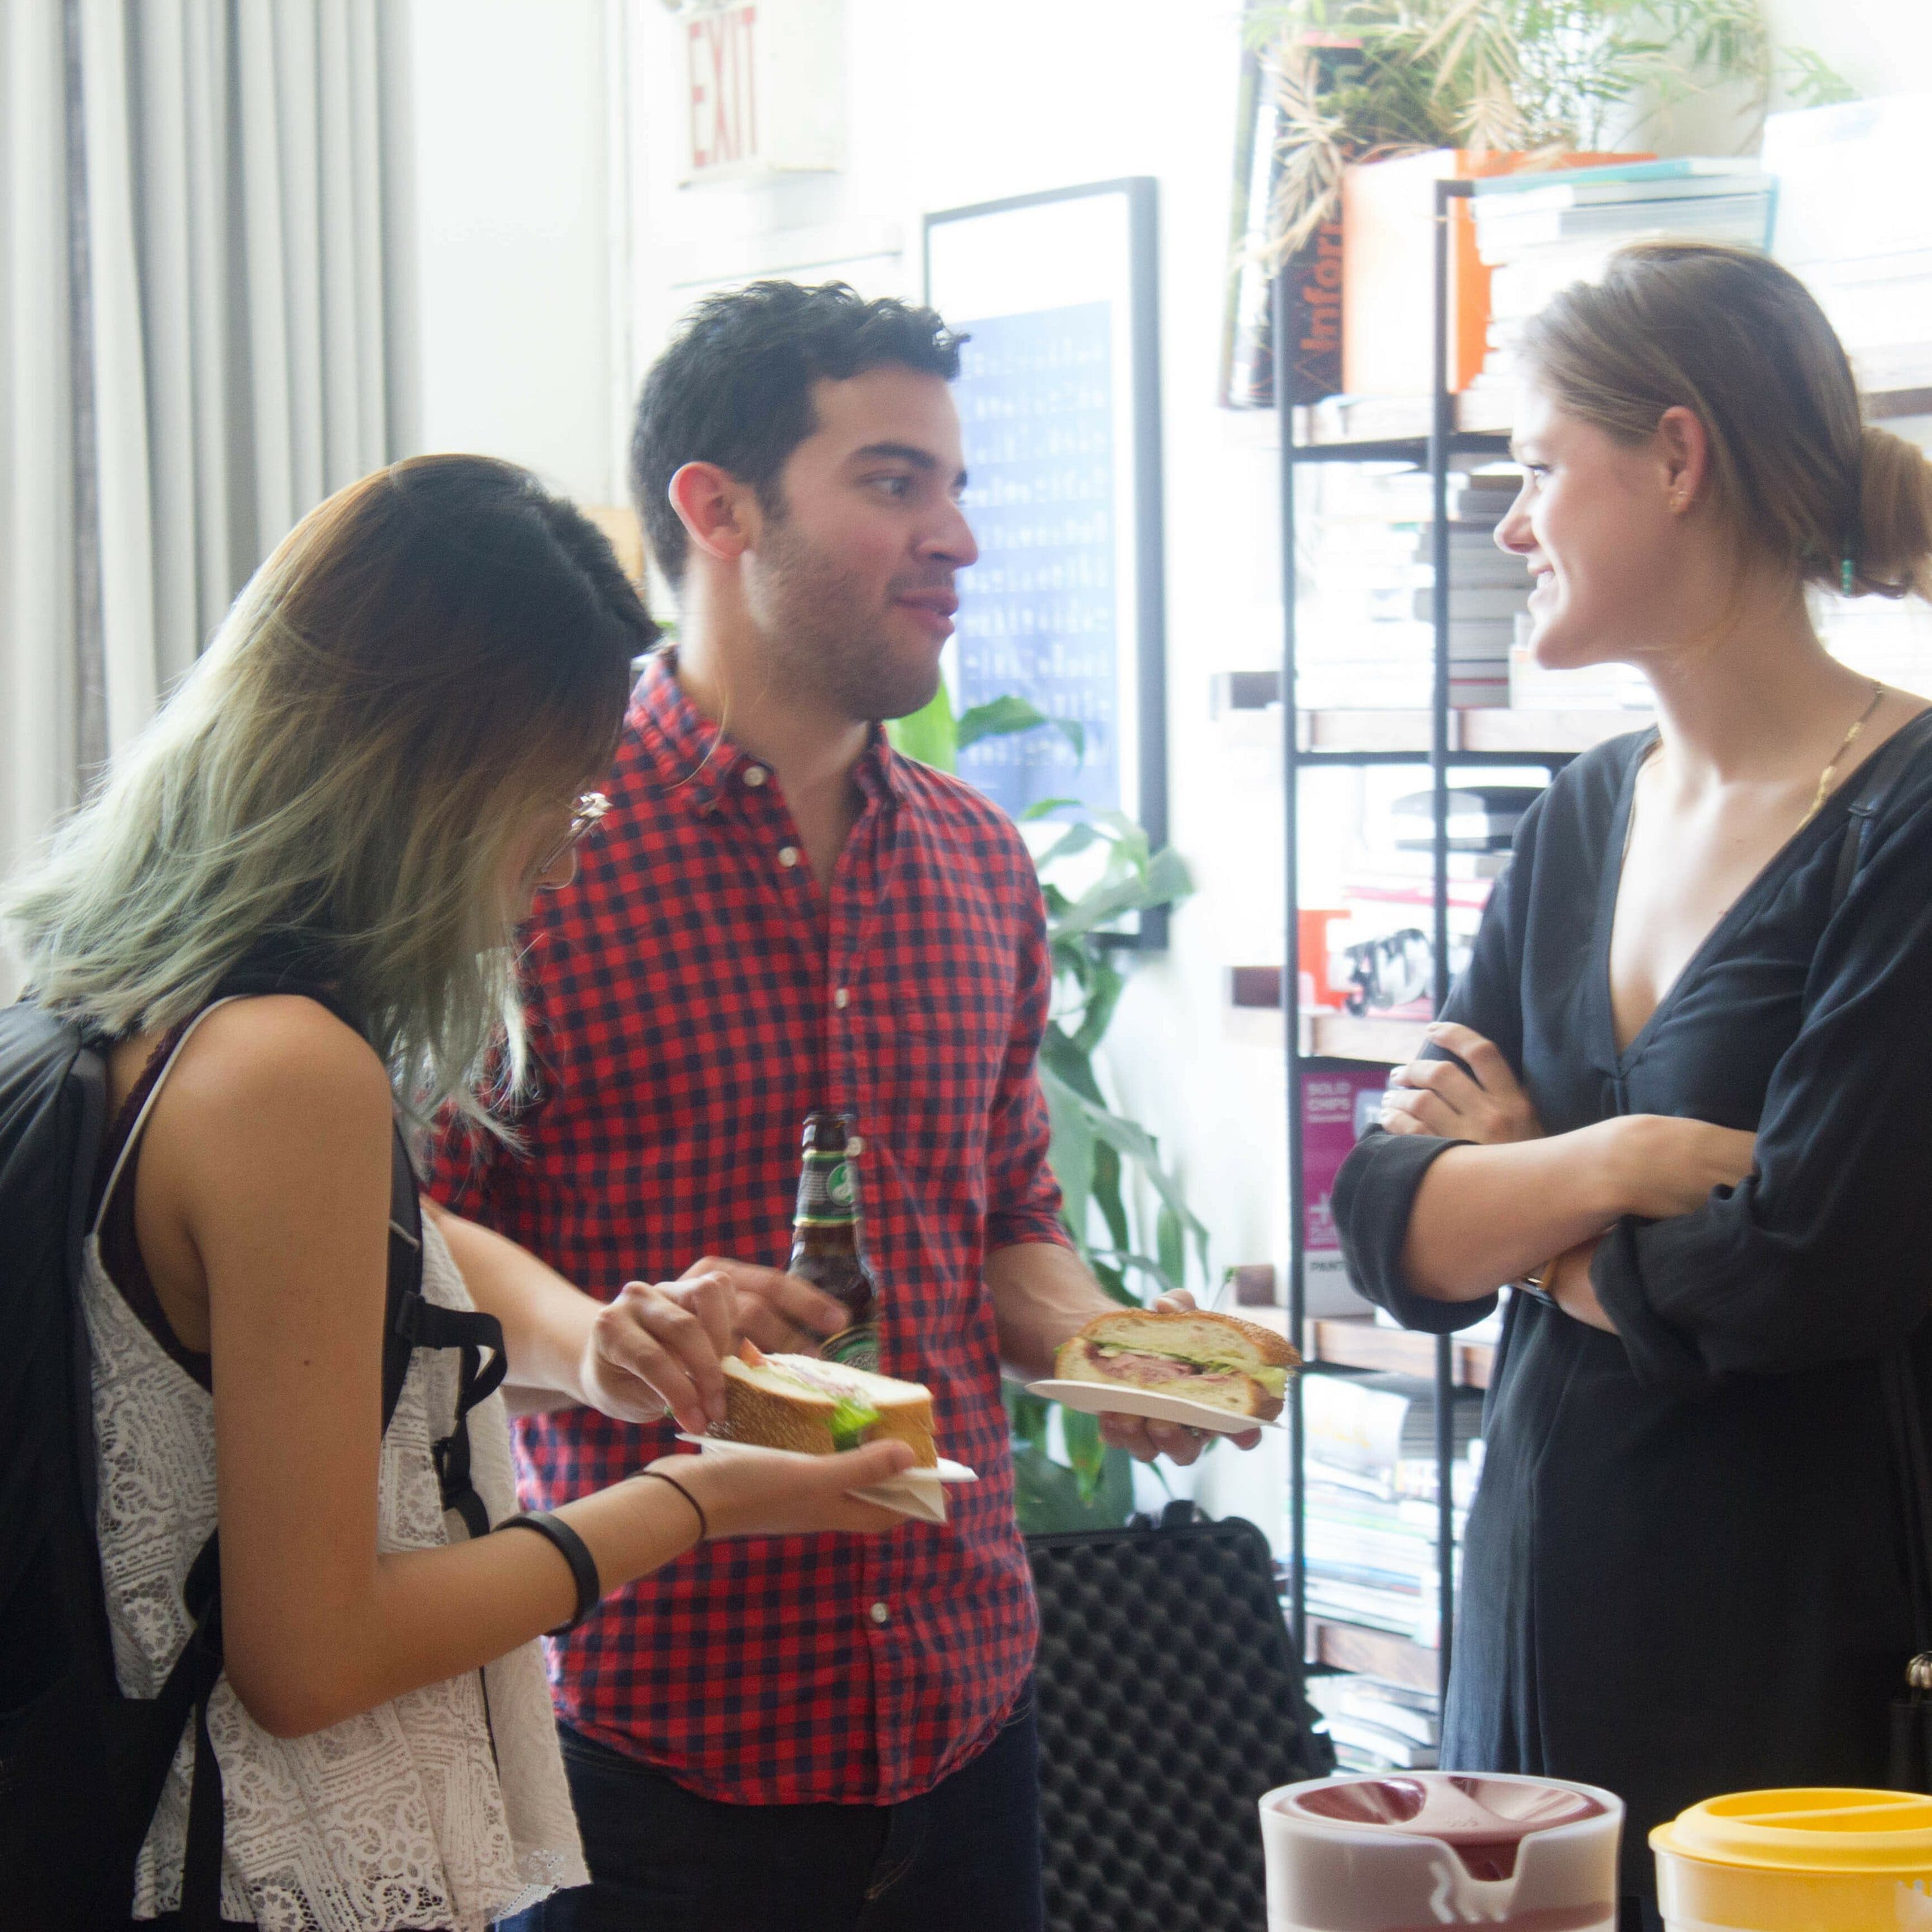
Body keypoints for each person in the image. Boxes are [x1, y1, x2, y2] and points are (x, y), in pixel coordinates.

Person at [430, 279, 1258, 1932]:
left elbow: (1005, 1227)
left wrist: (1118, 1354)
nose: (954, 534)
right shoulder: (532, 853)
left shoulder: (977, 861)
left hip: (966, 1729)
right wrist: (607, 1334)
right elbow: (423, 1221)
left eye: (958, 486)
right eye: (894, 482)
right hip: (651, 1745)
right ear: (717, 509)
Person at [0, 455, 917, 1932]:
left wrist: (592, 1347)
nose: (569, 843)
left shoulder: (131, 1005)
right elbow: (313, 1655)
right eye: (564, 789)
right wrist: (691, 1502)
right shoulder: (292, 1076)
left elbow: (370, 1264)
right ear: (425, 779)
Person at [1332, 242, 1932, 1930]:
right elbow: (1385, 1218)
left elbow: (1812, 1267)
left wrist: (1523, 1195)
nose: (1508, 524)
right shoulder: (1581, 812)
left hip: (1789, 1663)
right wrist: (1631, 1156)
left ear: (1676, 459)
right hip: (1531, 1624)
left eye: (1537, 468)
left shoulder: (1906, 819)